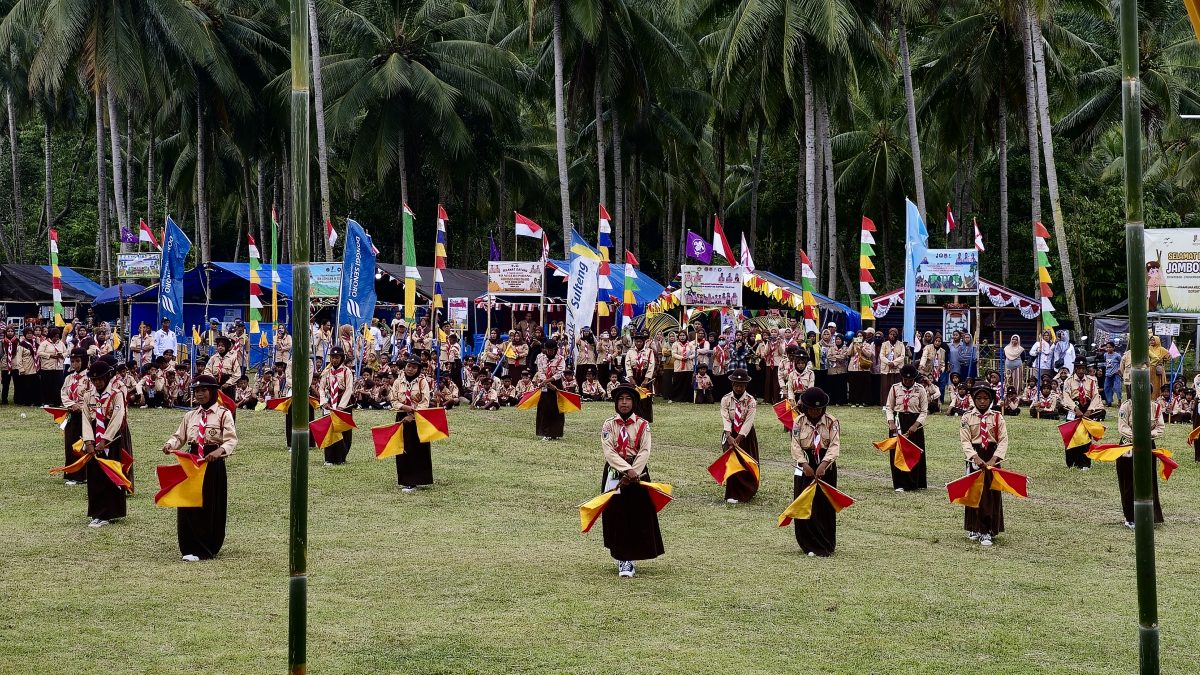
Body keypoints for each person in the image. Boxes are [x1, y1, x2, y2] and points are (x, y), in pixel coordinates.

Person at [159, 374, 237, 561]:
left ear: (213, 392)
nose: (200, 394)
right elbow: (179, 436)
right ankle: (189, 546)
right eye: (197, 391)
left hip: (212, 463)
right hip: (192, 463)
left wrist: (219, 452)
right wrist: (170, 444)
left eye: (204, 390)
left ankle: (207, 546)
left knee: (208, 504)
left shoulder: (223, 414)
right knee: (188, 503)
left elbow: (231, 440)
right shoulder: (190, 415)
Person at [599, 384, 663, 578]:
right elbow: (609, 451)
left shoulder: (643, 424)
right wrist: (626, 470)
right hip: (614, 473)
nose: (624, 403)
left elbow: (645, 450)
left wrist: (634, 471)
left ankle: (632, 555)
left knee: (637, 514)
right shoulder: (609, 425)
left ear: (634, 402)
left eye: (628, 399)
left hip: (639, 474)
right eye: (620, 399)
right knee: (616, 515)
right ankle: (622, 558)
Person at [789, 387, 842, 556]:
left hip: (825, 467)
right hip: (806, 467)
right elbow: (795, 445)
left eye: (818, 409)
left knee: (824, 505)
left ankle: (826, 543)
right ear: (805, 407)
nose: (814, 412)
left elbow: (834, 445)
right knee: (805, 504)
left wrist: (824, 464)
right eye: (811, 408)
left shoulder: (832, 422)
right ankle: (808, 543)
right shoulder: (798, 422)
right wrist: (804, 465)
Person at [79, 360, 133, 528]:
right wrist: (88, 441)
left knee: (111, 474)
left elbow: (117, 418)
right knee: (95, 476)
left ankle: (111, 512)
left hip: (112, 437)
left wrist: (105, 440)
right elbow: (86, 418)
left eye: (100, 379)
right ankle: (97, 512)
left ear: (108, 377)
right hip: (94, 435)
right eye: (94, 380)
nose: (97, 382)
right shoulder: (88, 395)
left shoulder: (117, 394)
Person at [960, 386, 1009, 546]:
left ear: (990, 400)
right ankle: (973, 527)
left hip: (992, 457)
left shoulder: (997, 417)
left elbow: (1003, 440)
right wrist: (975, 457)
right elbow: (965, 440)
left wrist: (994, 459)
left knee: (990, 493)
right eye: (979, 398)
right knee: (973, 492)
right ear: (973, 399)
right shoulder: (967, 417)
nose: (982, 401)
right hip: (975, 456)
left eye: (985, 398)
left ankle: (987, 530)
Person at [1115, 394, 1165, 528]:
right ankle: (1130, 517)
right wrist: (1137, 436)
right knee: (1128, 480)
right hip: (1128, 445)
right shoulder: (1126, 406)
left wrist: (1146, 436)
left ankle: (1149, 516)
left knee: (1148, 480)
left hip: (1148, 445)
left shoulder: (1156, 407)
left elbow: (1160, 428)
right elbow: (1122, 426)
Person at [884, 364, 929, 492]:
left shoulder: (920, 390)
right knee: (898, 453)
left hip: (914, 423)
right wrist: (891, 422)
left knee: (914, 452)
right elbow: (889, 407)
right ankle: (900, 483)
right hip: (898, 421)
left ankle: (915, 482)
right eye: (905, 379)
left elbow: (924, 411)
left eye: (910, 380)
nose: (908, 382)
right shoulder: (894, 388)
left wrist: (916, 425)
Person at [391, 359, 434, 492]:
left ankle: (416, 480)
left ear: (418, 369)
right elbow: (393, 400)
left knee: (417, 449)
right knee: (403, 448)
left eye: (414, 367)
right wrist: (405, 408)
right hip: (401, 417)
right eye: (409, 366)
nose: (410, 369)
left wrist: (412, 415)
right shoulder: (398, 382)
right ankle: (405, 479)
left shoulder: (422, 382)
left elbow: (425, 402)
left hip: (418, 418)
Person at [719, 369, 759, 504]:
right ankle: (732, 492)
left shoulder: (751, 401)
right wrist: (729, 436)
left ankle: (747, 490)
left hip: (745, 436)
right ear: (732, 384)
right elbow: (725, 418)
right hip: (730, 433)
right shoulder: (725, 399)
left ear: (745, 386)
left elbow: (748, 422)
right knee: (732, 462)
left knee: (746, 462)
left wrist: (739, 438)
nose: (738, 388)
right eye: (736, 385)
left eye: (741, 385)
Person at [60, 348, 92, 485]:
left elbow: (92, 395)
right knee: (70, 444)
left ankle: (83, 475)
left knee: (83, 444)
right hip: (72, 414)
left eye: (78, 361)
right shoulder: (69, 377)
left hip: (85, 415)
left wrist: (82, 405)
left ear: (84, 361)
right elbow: (63, 393)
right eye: (72, 361)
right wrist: (72, 404)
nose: (75, 364)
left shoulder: (90, 377)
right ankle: (71, 473)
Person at [318, 347, 355, 465]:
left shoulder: (346, 371)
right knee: (329, 430)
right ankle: (329, 458)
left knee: (344, 431)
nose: (334, 360)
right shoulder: (326, 372)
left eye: (337, 357)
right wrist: (324, 402)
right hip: (329, 403)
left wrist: (341, 406)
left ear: (342, 358)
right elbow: (321, 388)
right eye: (332, 357)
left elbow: (349, 389)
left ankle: (341, 457)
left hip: (343, 403)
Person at [534, 340, 567, 440]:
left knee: (557, 408)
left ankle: (555, 433)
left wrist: (550, 382)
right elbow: (540, 371)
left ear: (555, 349)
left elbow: (559, 373)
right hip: (545, 384)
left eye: (551, 350)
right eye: (547, 350)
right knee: (545, 407)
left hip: (556, 384)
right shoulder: (540, 358)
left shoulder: (560, 359)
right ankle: (545, 432)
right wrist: (546, 382)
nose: (549, 352)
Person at [38, 327, 68, 406]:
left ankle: (57, 401)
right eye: (55, 336)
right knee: (47, 385)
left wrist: (62, 355)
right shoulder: (44, 343)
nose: (56, 338)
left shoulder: (61, 343)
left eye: (58, 336)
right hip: (47, 368)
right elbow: (39, 353)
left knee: (58, 385)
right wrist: (50, 355)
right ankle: (46, 401)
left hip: (58, 368)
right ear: (51, 336)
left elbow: (66, 352)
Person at [878, 327, 905, 402]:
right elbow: (882, 355)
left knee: (896, 387)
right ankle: (885, 403)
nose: (892, 336)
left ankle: (896, 402)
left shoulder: (901, 344)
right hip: (886, 369)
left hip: (897, 369)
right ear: (888, 335)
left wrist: (894, 363)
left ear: (897, 335)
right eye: (891, 334)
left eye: (894, 334)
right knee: (885, 387)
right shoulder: (884, 344)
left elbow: (902, 356)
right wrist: (888, 362)